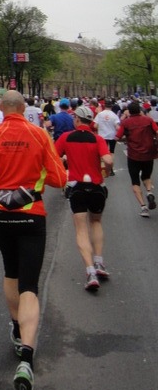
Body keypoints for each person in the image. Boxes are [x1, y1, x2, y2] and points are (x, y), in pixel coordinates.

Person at [0, 91, 67, 390]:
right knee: (29, 286)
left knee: (10, 270)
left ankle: (14, 327)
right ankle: (26, 357)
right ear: (24, 108)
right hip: (32, 216)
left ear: (0, 107)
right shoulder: (39, 134)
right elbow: (59, 178)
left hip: (2, 215)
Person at [55, 105, 113, 291]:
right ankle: (99, 262)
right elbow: (109, 160)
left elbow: (54, 157)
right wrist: (108, 171)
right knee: (96, 222)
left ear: (78, 120)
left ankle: (90, 272)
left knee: (81, 229)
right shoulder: (98, 139)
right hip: (96, 186)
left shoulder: (66, 137)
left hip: (77, 187)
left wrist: (65, 164)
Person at [116, 100, 158, 217]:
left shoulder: (126, 123)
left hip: (133, 155)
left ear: (129, 111)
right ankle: (149, 192)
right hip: (148, 154)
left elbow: (118, 137)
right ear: (140, 110)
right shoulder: (148, 120)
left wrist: (125, 139)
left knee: (135, 180)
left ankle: (143, 207)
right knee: (146, 176)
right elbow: (157, 131)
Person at [93, 100, 120, 175]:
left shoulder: (100, 114)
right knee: (111, 152)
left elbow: (95, 126)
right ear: (112, 106)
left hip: (102, 136)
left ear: (104, 106)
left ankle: (102, 169)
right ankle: (111, 169)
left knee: (102, 152)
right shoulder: (114, 115)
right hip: (112, 135)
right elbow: (117, 127)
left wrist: (101, 126)